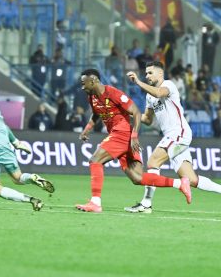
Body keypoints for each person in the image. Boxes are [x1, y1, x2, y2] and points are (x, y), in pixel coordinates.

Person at [125, 61, 221, 215]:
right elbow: (148, 119)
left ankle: (146, 204)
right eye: (145, 73)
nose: (147, 76)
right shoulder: (149, 96)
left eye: (150, 73)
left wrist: (138, 82)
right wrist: (128, 112)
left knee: (153, 162)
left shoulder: (168, 85)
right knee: (192, 179)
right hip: (173, 136)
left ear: (160, 73)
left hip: (179, 132)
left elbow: (159, 93)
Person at [75, 68, 192, 213]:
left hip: (122, 133)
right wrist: (87, 129)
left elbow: (136, 112)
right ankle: (180, 184)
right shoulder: (92, 97)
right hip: (121, 136)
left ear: (93, 81)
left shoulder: (113, 93)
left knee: (95, 160)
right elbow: (96, 114)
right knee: (138, 178)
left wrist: (134, 136)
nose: (82, 87)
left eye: (84, 83)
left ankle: (95, 202)